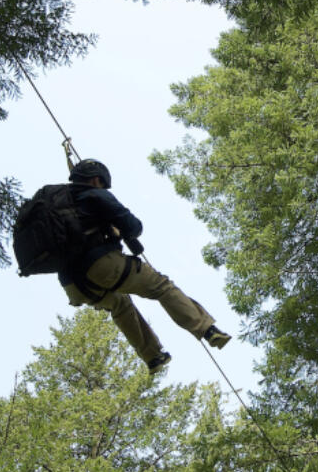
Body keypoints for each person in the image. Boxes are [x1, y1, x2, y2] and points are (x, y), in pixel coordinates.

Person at [58, 158, 231, 372]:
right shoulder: (95, 194)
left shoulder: (58, 207)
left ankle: (153, 357)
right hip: (100, 265)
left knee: (120, 305)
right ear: (96, 180)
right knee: (161, 286)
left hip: (72, 285)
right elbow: (133, 226)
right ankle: (207, 329)